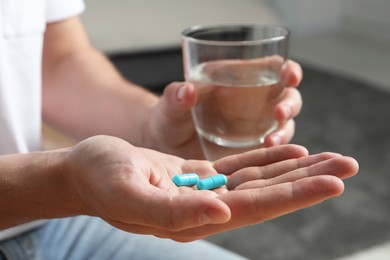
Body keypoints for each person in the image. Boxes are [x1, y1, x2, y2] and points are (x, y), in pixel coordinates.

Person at [0, 0, 359, 259]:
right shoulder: (65, 186)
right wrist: (62, 184)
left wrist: (151, 128)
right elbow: (63, 184)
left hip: (49, 223)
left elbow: (58, 60)